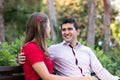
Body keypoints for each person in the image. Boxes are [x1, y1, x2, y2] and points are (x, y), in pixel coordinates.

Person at [18, 16, 119, 80]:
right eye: (63, 30)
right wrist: (19, 59)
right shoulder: (54, 50)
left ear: (77, 32)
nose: (66, 32)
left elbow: (100, 70)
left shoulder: (87, 50)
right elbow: (34, 57)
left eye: (70, 29)